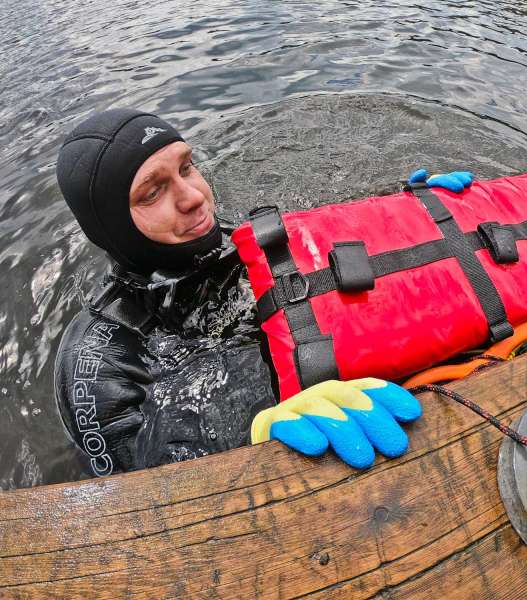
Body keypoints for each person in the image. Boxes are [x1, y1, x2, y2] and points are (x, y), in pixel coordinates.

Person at [54, 108, 423, 477]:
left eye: (186, 168)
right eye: (152, 193)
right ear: (112, 226)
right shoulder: (101, 360)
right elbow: (141, 493)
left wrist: (413, 215)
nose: (194, 198)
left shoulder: (248, 247)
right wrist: (254, 436)